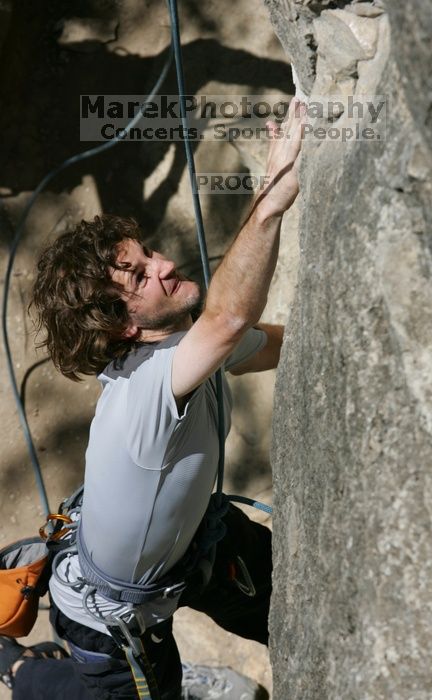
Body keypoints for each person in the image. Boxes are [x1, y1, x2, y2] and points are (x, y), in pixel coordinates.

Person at [1, 98, 305, 699]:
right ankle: (17, 668)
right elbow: (229, 318)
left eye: (145, 256)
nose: (164, 264)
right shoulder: (145, 392)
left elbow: (256, 341)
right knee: (142, 691)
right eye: (140, 277)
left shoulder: (184, 350)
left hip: (193, 549)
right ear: (123, 329)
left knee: (290, 590)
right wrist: (272, 194)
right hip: (110, 624)